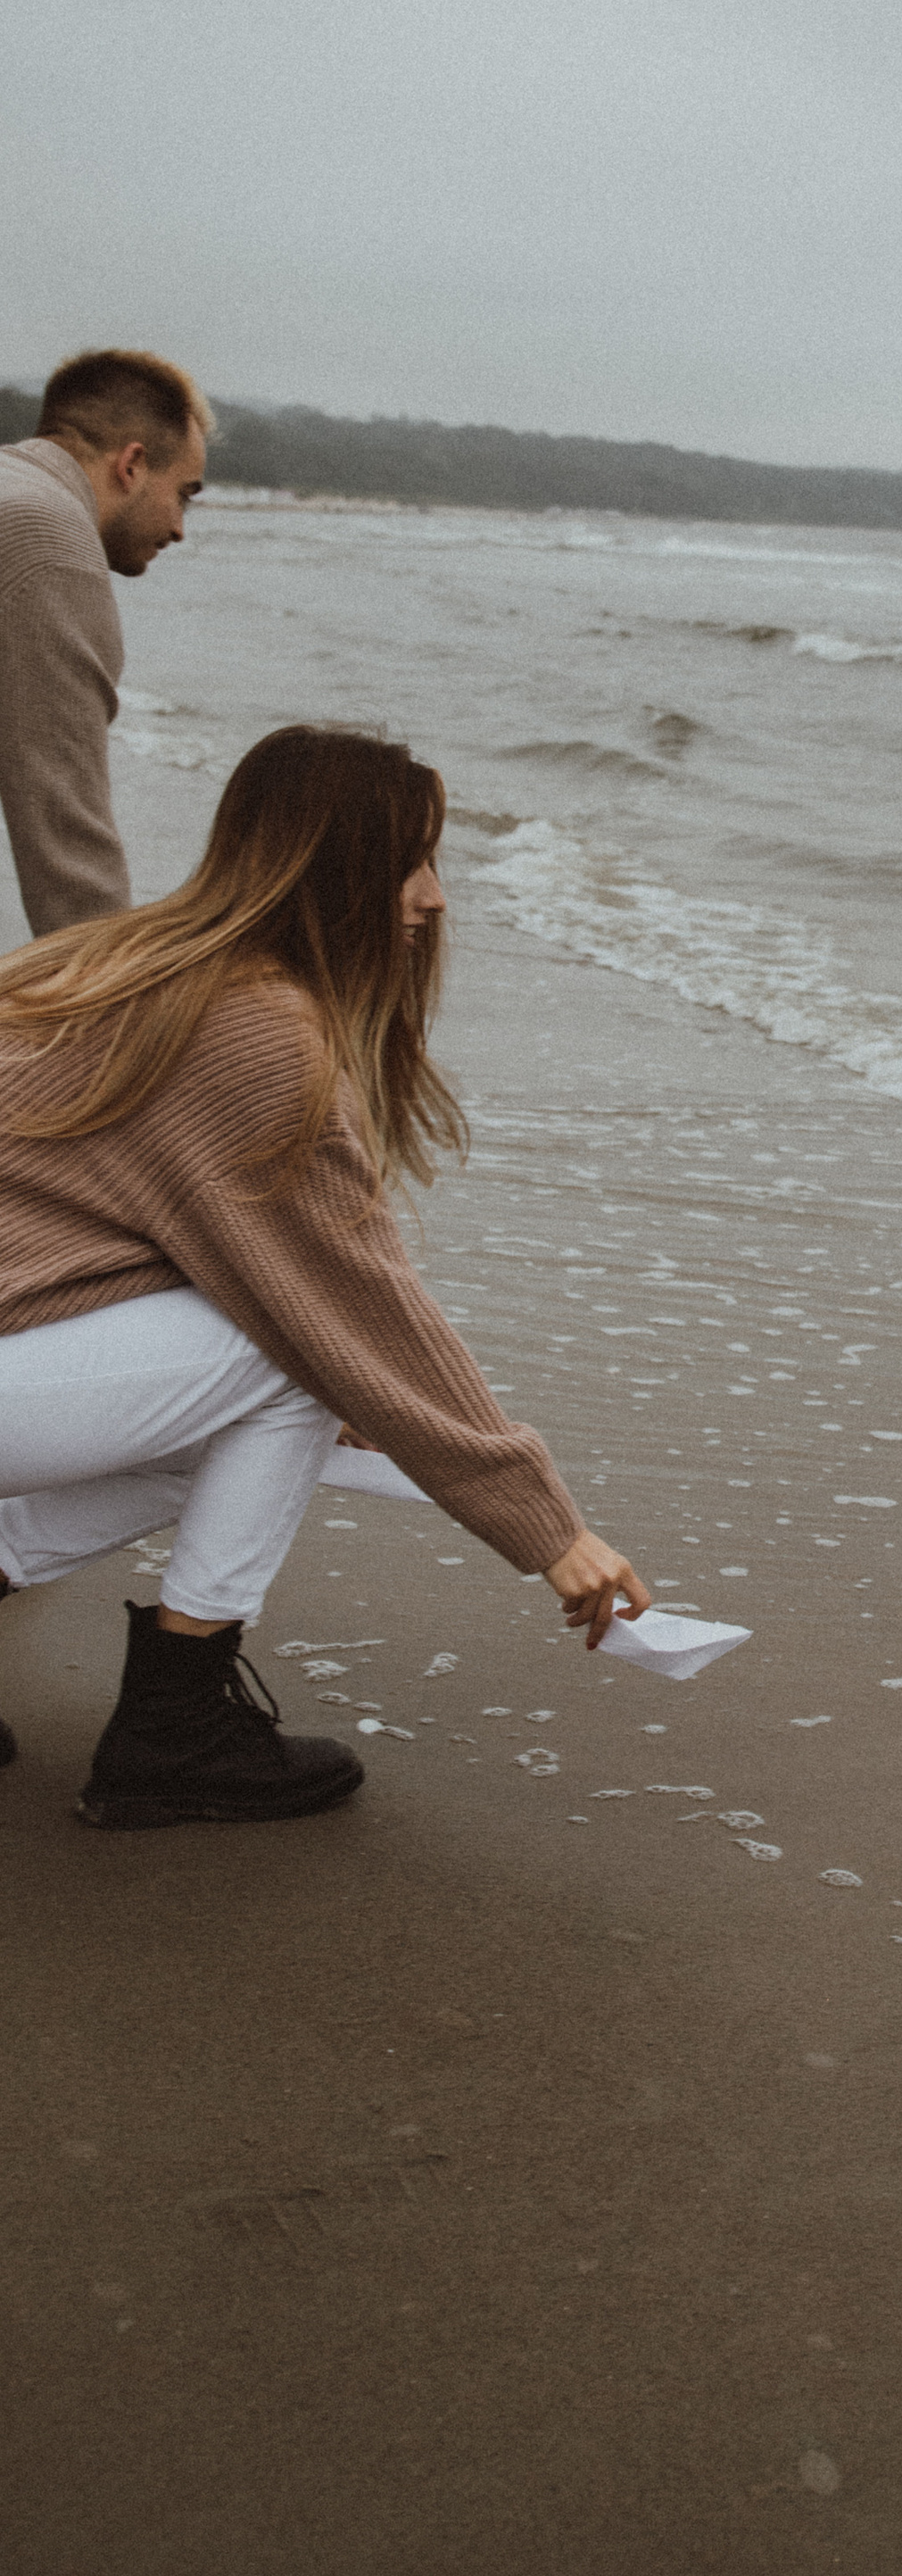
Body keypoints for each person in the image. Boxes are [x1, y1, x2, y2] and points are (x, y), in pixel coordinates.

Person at [0, 724, 651, 1824]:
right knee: (300, 1356)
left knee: (289, 1378)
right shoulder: (251, 1032)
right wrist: (552, 1531)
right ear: (336, 867)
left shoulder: (119, 960)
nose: (435, 898)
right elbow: (351, 1308)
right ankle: (177, 1728)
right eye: (413, 860)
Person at [0, 348, 211, 939]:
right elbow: (69, 848)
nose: (179, 528)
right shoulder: (46, 535)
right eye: (185, 494)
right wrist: (119, 1010)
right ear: (133, 464)